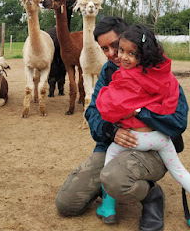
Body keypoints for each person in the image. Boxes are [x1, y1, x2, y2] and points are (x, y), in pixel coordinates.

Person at [55, 16, 189, 231]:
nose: (112, 54)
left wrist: (137, 110)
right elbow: (93, 112)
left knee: (115, 180)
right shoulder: (108, 72)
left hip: (152, 149)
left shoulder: (156, 71)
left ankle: (151, 195)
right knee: (67, 204)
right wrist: (111, 130)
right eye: (104, 49)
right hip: (113, 145)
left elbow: (179, 121)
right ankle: (114, 186)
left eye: (116, 46)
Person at [96, 24, 190, 226]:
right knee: (180, 172)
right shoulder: (159, 75)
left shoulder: (129, 76)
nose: (122, 57)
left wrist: (132, 111)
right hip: (161, 139)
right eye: (122, 50)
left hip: (139, 139)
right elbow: (169, 99)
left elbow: (108, 106)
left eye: (131, 53)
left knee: (111, 155)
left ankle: (108, 206)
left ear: (143, 55)